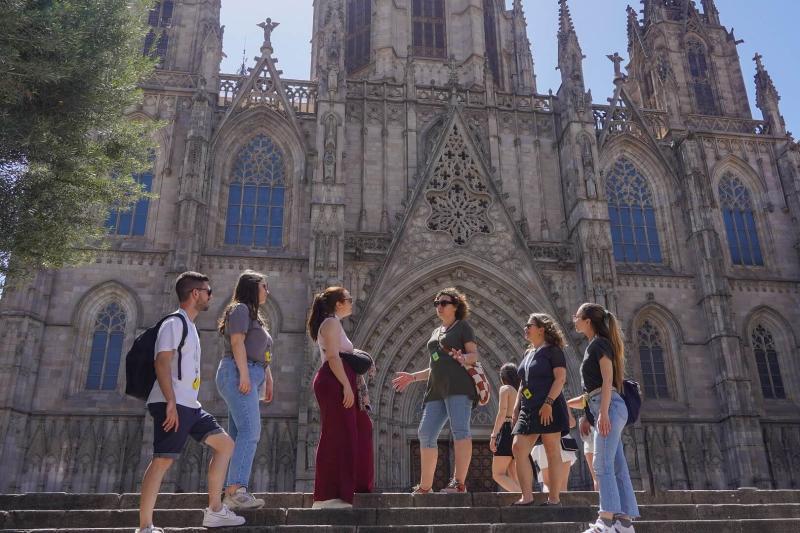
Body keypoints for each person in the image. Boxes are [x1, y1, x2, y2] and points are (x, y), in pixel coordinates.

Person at [137, 272, 245, 533]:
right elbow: (161, 362)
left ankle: (215, 511)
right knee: (163, 460)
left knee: (225, 445)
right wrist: (171, 402)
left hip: (190, 405)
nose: (211, 296)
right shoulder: (174, 323)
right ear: (195, 293)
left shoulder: (190, 325)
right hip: (172, 403)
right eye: (208, 291)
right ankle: (144, 526)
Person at [393, 287, 479, 494]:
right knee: (425, 432)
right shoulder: (436, 332)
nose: (439, 307)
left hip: (458, 385)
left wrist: (464, 358)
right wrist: (413, 377)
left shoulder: (463, 328)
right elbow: (434, 366)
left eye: (444, 303)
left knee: (460, 431)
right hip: (436, 389)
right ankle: (426, 486)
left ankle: (458, 483)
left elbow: (474, 355)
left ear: (456, 306)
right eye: (436, 303)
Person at [567, 303, 639, 533]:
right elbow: (593, 391)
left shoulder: (600, 344)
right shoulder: (595, 345)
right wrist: (566, 403)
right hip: (601, 404)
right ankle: (625, 522)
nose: (573, 318)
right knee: (617, 466)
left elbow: (608, 381)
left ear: (587, 320)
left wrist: (604, 412)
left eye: (577, 315)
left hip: (608, 407)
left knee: (602, 464)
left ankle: (606, 521)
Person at [307, 287, 373, 509]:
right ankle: (327, 496)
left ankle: (352, 487)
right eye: (349, 299)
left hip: (340, 379)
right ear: (338, 303)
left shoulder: (333, 323)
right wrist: (346, 385)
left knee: (360, 429)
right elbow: (333, 357)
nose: (352, 303)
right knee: (337, 435)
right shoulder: (331, 323)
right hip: (335, 380)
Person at [215, 271, 274, 510]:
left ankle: (232, 490)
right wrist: (245, 375)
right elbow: (237, 342)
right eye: (263, 286)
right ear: (251, 288)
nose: (267, 291)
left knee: (240, 434)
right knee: (251, 431)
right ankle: (235, 490)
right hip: (237, 373)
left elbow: (260, 351)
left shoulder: (253, 315)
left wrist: (267, 378)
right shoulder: (239, 309)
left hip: (249, 372)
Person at [511, 313, 569, 506]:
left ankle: (554, 498)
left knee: (552, 450)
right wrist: (516, 407)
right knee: (518, 447)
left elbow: (560, 379)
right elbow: (522, 383)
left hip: (548, 406)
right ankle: (527, 496)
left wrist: (548, 403)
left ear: (542, 329)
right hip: (528, 408)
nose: (525, 328)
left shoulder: (553, 351)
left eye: (530, 325)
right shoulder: (528, 354)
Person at [490, 363, 521, 492]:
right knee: (512, 471)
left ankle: (522, 495)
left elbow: (502, 412)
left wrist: (494, 435)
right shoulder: (519, 391)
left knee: (498, 474)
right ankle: (525, 499)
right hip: (518, 430)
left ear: (503, 377)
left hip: (507, 429)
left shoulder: (505, 388)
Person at [530, 411, 578, 494]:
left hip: (544, 440)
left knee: (548, 484)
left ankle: (550, 506)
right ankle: (561, 506)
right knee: (562, 484)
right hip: (561, 440)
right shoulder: (560, 399)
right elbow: (572, 423)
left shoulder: (536, 399)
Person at [579, 415, 599, 491]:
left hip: (588, 448)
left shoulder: (582, 420)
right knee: (602, 476)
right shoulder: (597, 417)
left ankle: (600, 500)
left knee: (595, 478)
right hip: (598, 445)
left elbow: (583, 437)